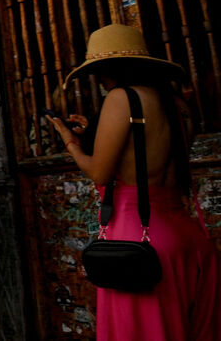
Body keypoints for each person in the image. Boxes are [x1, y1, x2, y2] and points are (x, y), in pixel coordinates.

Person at [48, 24, 221, 341]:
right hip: (186, 237)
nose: (100, 82)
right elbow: (147, 150)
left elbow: (100, 173)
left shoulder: (121, 98)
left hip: (136, 241)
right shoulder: (178, 107)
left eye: (100, 73)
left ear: (110, 70)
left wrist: (70, 141)